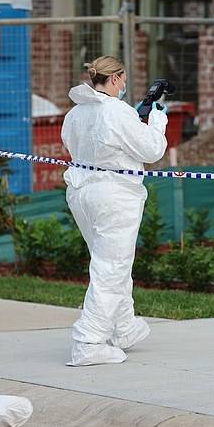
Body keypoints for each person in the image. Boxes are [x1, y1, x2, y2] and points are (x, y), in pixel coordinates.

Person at [61, 56, 168, 366]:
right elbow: (151, 150)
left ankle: (124, 328)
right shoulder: (118, 112)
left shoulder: (76, 112)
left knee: (109, 263)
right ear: (117, 78)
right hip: (114, 196)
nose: (125, 85)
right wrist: (156, 122)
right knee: (111, 267)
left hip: (81, 193)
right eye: (123, 79)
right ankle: (89, 342)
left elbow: (73, 143)